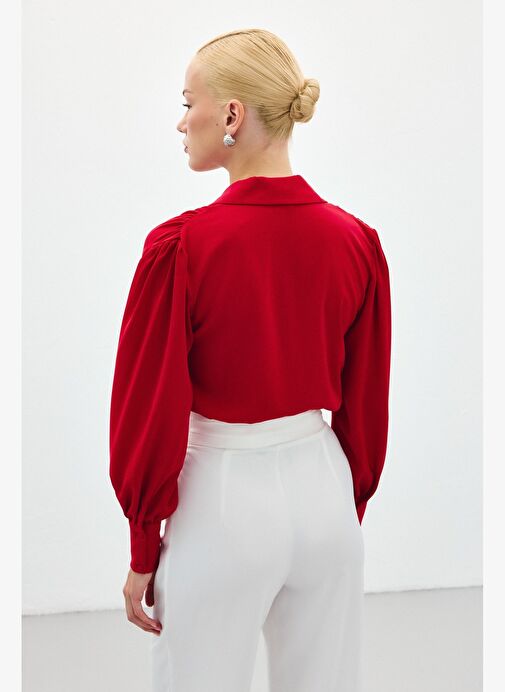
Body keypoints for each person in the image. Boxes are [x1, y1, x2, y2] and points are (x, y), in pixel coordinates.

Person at [109, 27, 392, 692]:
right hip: (324, 494)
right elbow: (367, 402)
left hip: (222, 501)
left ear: (232, 114)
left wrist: (143, 545)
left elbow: (149, 407)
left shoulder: (182, 247)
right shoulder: (356, 241)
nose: (182, 122)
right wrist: (341, 508)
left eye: (189, 104)